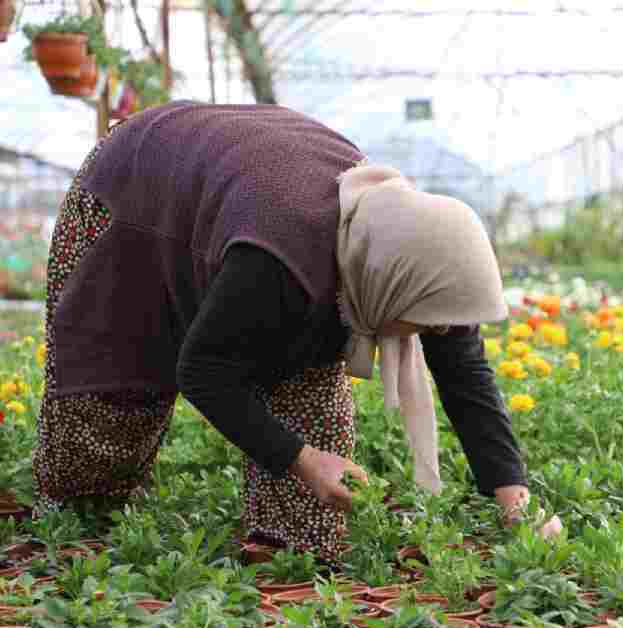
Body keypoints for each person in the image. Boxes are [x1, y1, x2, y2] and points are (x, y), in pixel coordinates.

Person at [33, 100, 558, 562]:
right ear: (391, 284)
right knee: (107, 413)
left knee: (314, 472)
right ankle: (77, 536)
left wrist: (516, 502)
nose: (434, 332)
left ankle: (285, 558)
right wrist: (300, 460)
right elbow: (204, 370)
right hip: (136, 191)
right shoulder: (279, 263)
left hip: (251, 197)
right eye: (427, 322)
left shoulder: (415, 254)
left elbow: (466, 376)